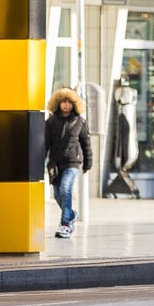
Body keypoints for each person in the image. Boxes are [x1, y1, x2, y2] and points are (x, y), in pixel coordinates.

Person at [45, 88, 93, 239]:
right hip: (55, 163)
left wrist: (88, 164)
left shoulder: (80, 122)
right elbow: (45, 144)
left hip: (72, 162)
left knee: (66, 190)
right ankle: (71, 214)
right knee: (58, 195)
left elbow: (86, 144)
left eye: (69, 102)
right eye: (63, 102)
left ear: (74, 104)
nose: (66, 105)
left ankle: (65, 224)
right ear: (57, 104)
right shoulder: (50, 122)